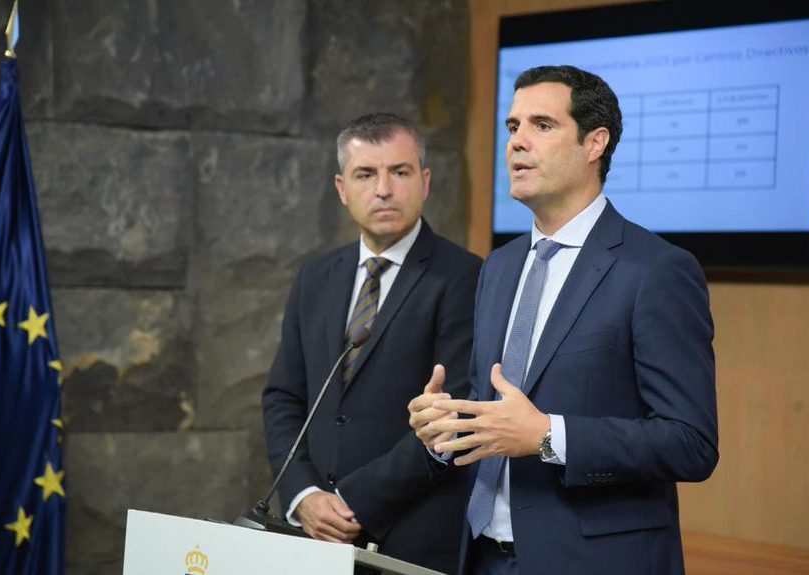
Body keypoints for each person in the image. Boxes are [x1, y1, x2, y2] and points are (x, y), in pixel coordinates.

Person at [408, 65, 719, 574]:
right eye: (512, 127)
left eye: (542, 126)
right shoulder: (500, 267)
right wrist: (446, 428)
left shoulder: (656, 271)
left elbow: (691, 443)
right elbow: (496, 414)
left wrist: (550, 437)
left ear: (595, 143)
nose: (517, 144)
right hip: (482, 556)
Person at [262, 112, 482, 573]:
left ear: (424, 181)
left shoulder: (465, 277)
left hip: (411, 537)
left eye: (399, 172)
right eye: (366, 174)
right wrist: (303, 495)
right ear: (342, 189)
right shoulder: (315, 277)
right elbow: (284, 397)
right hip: (312, 534)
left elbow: (454, 414)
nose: (383, 189)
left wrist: (350, 502)